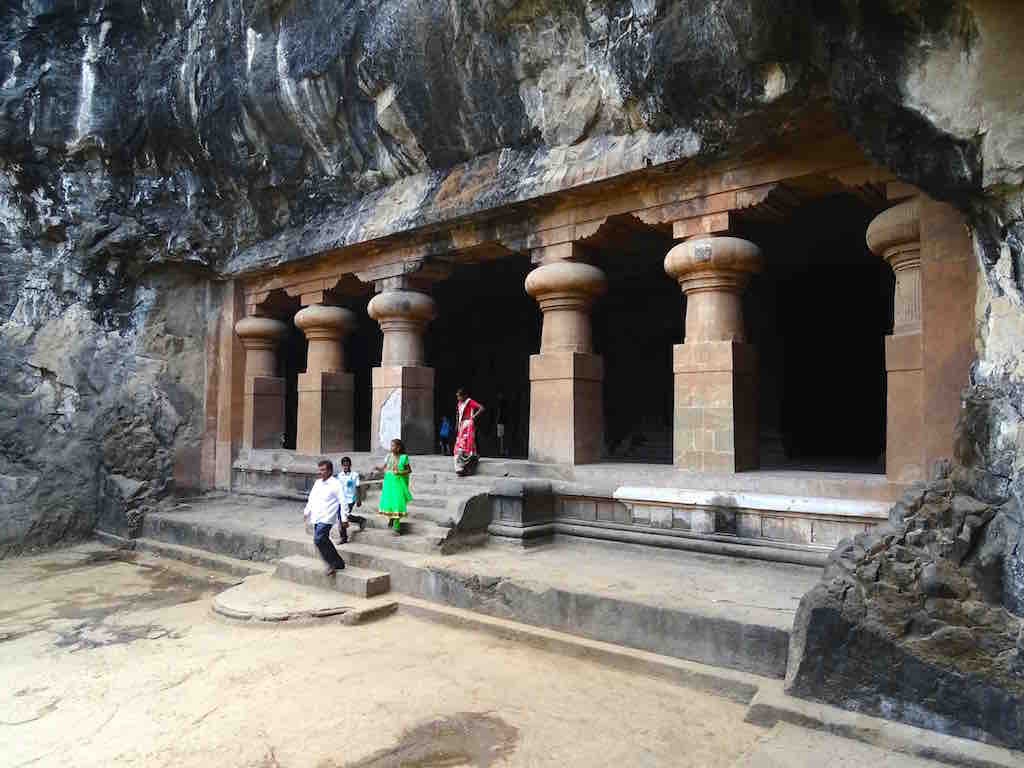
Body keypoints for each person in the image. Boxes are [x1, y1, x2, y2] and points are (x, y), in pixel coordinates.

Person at [302, 459, 346, 575]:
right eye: (320, 470)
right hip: (317, 515)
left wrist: (344, 519)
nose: (320, 472)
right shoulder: (317, 483)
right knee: (323, 539)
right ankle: (339, 562)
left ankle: (332, 564)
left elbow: (343, 502)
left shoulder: (336, 484)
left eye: (323, 470)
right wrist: (307, 511)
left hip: (328, 517)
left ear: (330, 471)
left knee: (319, 539)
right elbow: (312, 498)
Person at [375, 438, 412, 534]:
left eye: (393, 446)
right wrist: (378, 468)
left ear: (398, 448)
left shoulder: (404, 457)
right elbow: (384, 468)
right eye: (391, 446)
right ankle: (391, 518)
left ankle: (397, 527)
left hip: (399, 483)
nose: (391, 448)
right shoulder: (388, 456)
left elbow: (409, 470)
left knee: (397, 503)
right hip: (389, 482)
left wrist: (400, 472)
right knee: (390, 502)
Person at [454, 388, 484, 476]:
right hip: (462, 426)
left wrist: (473, 417)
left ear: (464, 396)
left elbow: (481, 408)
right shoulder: (459, 403)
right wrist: (457, 424)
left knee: (467, 445)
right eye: (457, 396)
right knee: (460, 446)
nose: (458, 398)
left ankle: (465, 466)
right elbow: (458, 414)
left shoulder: (469, 402)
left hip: (468, 426)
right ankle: (461, 467)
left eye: (459, 396)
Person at [336, 456, 366, 544]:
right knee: (342, 516)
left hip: (350, 499)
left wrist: (359, 499)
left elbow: (358, 487)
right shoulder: (339, 475)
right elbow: (337, 488)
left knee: (343, 516)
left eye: (347, 465)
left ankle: (343, 537)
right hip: (341, 499)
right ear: (342, 466)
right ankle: (360, 520)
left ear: (350, 465)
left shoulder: (354, 475)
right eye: (344, 465)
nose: (346, 467)